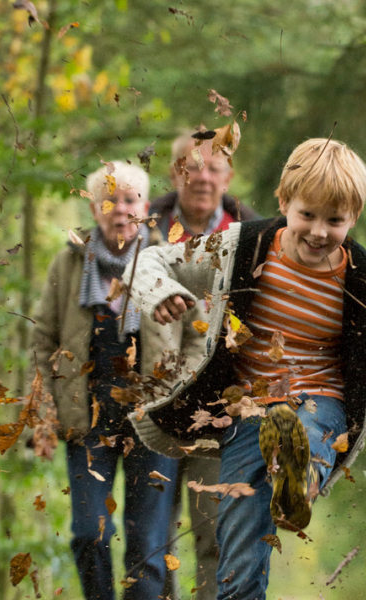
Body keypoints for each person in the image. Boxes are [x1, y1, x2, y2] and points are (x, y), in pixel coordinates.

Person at [123, 138, 366, 600]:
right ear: (283, 202)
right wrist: (160, 292)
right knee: (238, 562)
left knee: (303, 426)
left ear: (353, 218)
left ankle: (299, 480)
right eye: (307, 215)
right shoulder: (242, 247)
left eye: (334, 221)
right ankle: (285, 485)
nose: (318, 231)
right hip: (248, 415)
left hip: (320, 404)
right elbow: (151, 259)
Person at [29, 161, 179, 600]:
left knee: (147, 548)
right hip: (86, 422)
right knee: (87, 533)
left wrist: (181, 403)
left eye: (130, 201)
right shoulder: (67, 264)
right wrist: (43, 413)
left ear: (146, 209)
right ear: (94, 210)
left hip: (151, 424)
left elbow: (196, 335)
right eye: (109, 201)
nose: (120, 211)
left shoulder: (168, 261)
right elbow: (43, 341)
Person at [148, 132, 260, 600]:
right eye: (191, 166)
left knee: (213, 533)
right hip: (151, 406)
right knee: (150, 539)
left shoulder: (253, 237)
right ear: (175, 173)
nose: (203, 177)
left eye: (214, 168)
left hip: (221, 407)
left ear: (228, 176)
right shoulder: (140, 229)